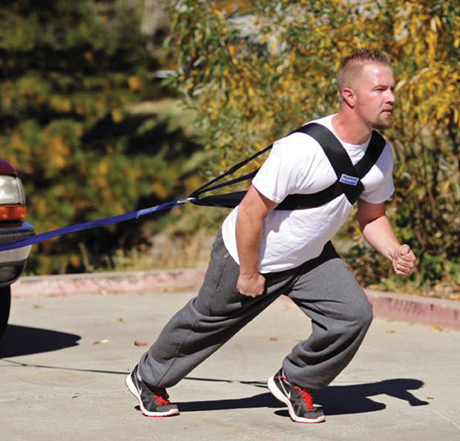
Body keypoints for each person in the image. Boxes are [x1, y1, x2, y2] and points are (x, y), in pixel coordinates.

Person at [126, 49, 416, 424]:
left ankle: (296, 380)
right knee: (207, 323)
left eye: (392, 89)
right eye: (380, 89)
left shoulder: (380, 154)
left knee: (353, 315)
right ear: (350, 96)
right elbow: (251, 212)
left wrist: (393, 250)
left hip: (309, 257)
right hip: (248, 252)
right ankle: (148, 380)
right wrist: (248, 272)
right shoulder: (301, 149)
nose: (391, 97)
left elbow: (372, 215)